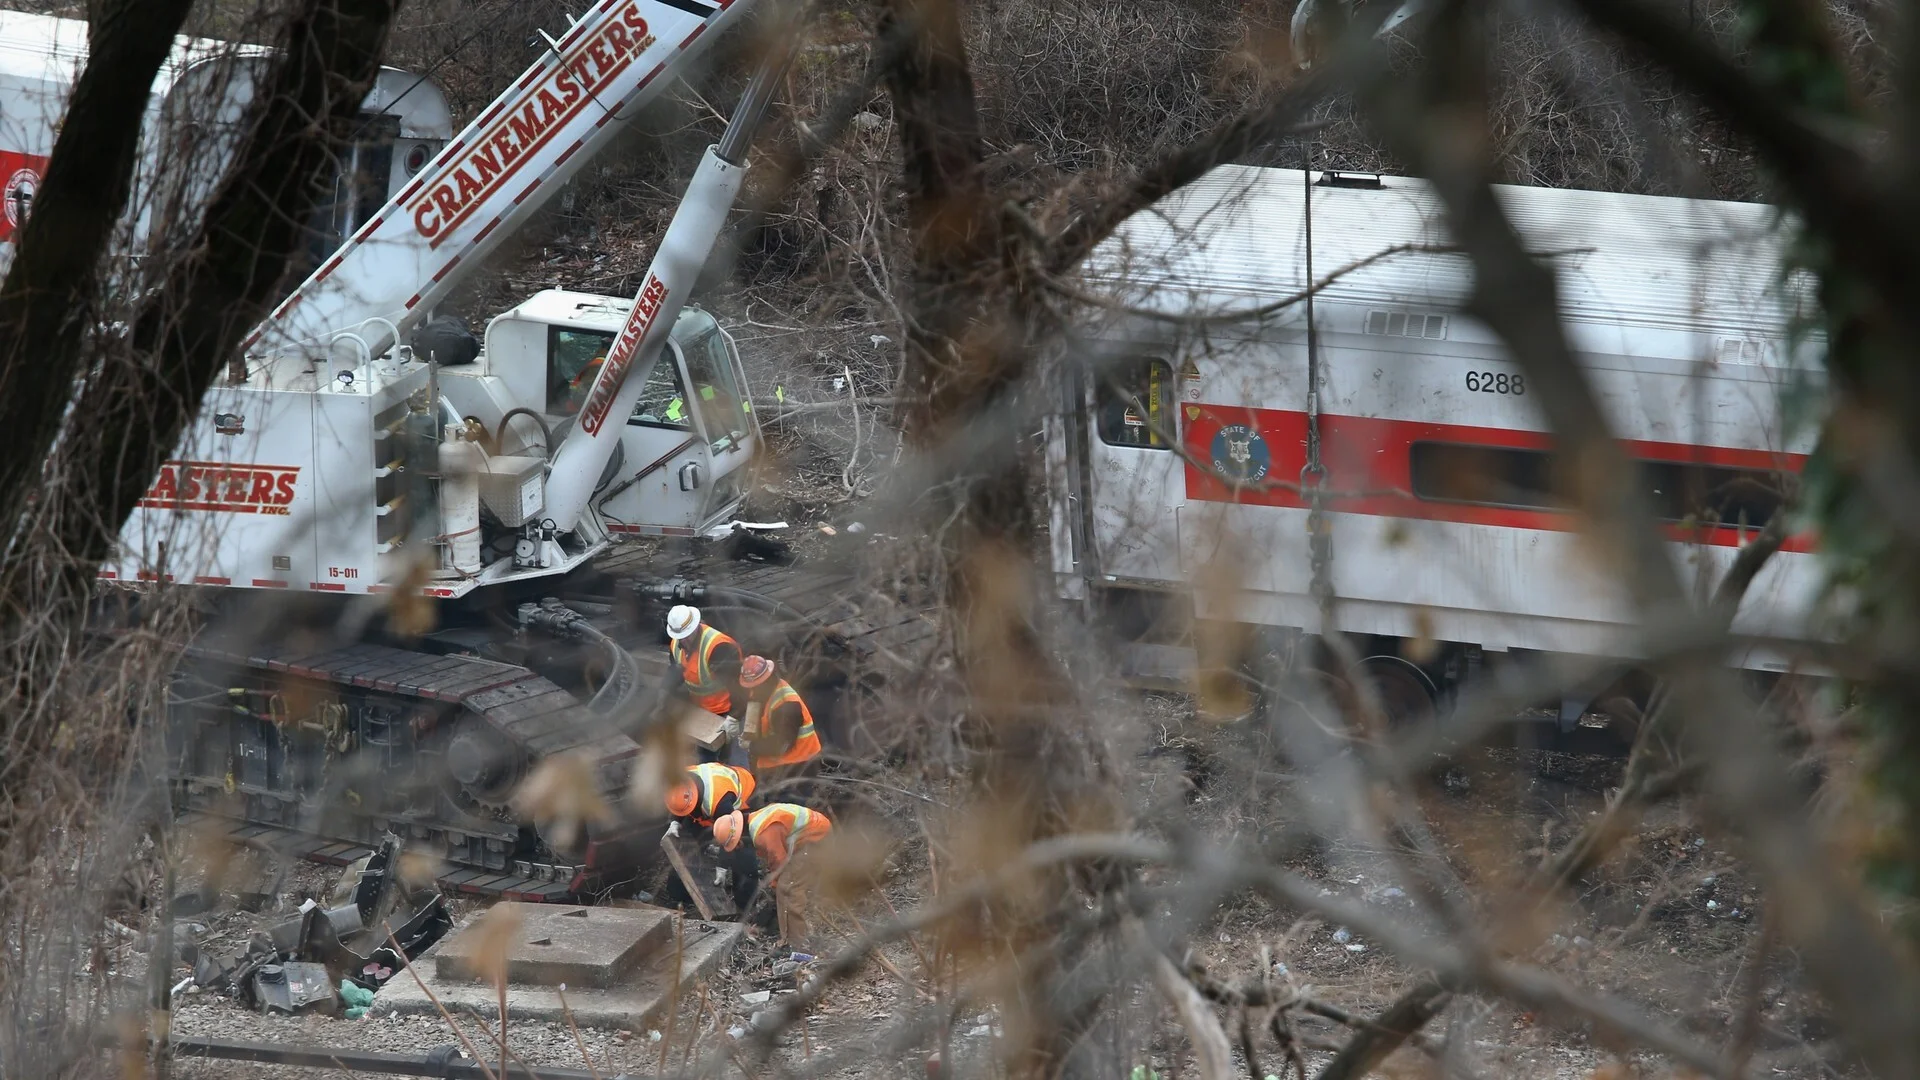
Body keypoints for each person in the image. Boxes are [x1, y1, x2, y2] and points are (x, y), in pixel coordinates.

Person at [713, 803, 832, 947]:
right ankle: (794, 933)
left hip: (816, 839)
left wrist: (775, 884)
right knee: (784, 885)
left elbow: (779, 861)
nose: (738, 848)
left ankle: (795, 944)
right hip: (814, 834)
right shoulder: (756, 818)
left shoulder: (763, 833)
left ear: (737, 835)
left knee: (788, 888)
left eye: (735, 845)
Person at [734, 656, 821, 786]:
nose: (751, 690)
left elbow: (779, 746)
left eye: (754, 687)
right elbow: (753, 702)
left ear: (764, 681)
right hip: (778, 764)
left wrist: (751, 746)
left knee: (787, 804)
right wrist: (733, 718)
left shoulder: (786, 705)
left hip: (798, 767)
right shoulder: (764, 689)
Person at [666, 605, 743, 720]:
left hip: (723, 709)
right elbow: (675, 671)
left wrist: (734, 717)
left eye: (687, 636)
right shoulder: (675, 644)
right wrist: (664, 693)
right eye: (680, 637)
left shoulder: (718, 648)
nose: (683, 640)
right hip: (697, 706)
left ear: (696, 627)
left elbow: (737, 687)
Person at [664, 761, 757, 832]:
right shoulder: (685, 775)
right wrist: (675, 821)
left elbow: (733, 828)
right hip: (724, 774)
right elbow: (679, 797)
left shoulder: (719, 804)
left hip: (746, 785)